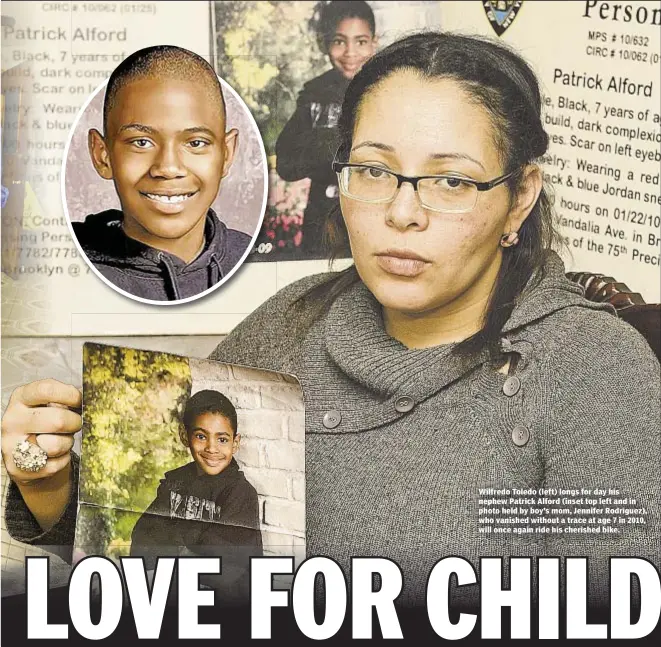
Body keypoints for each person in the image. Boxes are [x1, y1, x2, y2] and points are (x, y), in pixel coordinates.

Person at [3, 33, 659, 612]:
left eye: (451, 182)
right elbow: (163, 557)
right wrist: (50, 485)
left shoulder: (591, 369)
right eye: (372, 170)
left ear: (518, 197)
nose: (402, 213)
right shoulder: (290, 320)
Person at [71, 45, 252, 302]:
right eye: (141, 142)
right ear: (102, 154)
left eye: (195, 143)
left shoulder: (252, 264)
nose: (168, 168)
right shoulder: (64, 269)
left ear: (227, 154)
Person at [129, 390, 262, 601]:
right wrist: (193, 546)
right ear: (185, 436)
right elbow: (141, 538)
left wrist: (172, 542)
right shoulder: (175, 483)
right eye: (201, 436)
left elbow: (224, 569)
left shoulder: (240, 493)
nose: (211, 448)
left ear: (235, 443)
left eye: (222, 439)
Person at [275, 0, 377, 258]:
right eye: (339, 41)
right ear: (325, 43)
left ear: (374, 42)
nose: (350, 53)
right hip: (322, 219)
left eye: (361, 42)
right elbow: (286, 163)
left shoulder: (387, 90)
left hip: (373, 215)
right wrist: (331, 147)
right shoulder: (314, 95)